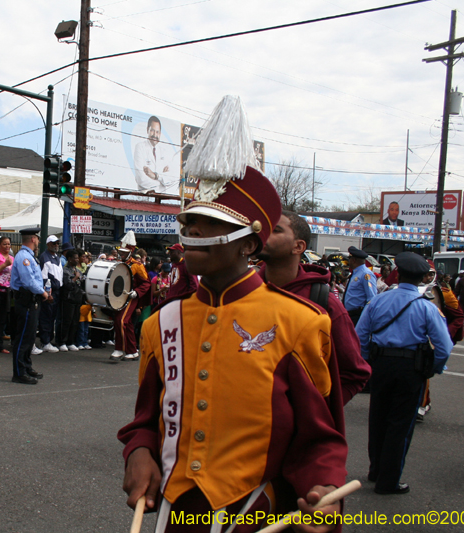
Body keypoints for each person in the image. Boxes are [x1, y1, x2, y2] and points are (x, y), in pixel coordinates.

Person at [119, 96, 345, 532]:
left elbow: (319, 439)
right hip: (177, 515)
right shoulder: (159, 324)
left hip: (254, 516)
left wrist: (322, 491)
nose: (192, 231)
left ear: (248, 243)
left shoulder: (301, 323)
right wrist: (140, 450)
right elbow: (146, 420)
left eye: (210, 223)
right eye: (189, 221)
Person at [257, 211, 371, 434]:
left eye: (276, 230)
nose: (264, 234)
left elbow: (355, 372)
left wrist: (315, 412)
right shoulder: (244, 292)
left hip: (292, 438)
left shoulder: (323, 303)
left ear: (298, 247)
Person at [356, 252, 452, 495]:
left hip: (381, 365)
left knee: (378, 418)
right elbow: (444, 346)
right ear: (422, 279)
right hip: (411, 369)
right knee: (400, 425)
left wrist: (368, 361)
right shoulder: (425, 307)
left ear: (398, 273)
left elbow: (359, 336)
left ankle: (375, 470)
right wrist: (434, 368)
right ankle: (388, 481)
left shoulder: (378, 301)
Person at [10, 226, 49, 385]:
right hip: (26, 300)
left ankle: (26, 366)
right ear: (33, 239)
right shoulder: (24, 257)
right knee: (23, 338)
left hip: (31, 300)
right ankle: (19, 372)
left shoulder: (29, 256)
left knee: (30, 336)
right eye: (37, 238)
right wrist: (43, 292)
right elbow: (28, 281)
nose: (38, 241)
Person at [110, 233, 151, 361]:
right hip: (118, 296)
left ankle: (119, 349)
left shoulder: (137, 266)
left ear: (131, 251)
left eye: (124, 252)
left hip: (131, 296)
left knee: (120, 321)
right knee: (127, 323)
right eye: (120, 252)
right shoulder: (117, 263)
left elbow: (146, 283)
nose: (121, 254)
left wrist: (137, 292)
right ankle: (132, 350)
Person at [133, 115, 174, 193]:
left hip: (161, 199)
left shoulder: (164, 152)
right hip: (144, 198)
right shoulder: (140, 147)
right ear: (147, 130)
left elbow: (171, 179)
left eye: (157, 132)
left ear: (160, 133)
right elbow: (141, 178)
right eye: (152, 130)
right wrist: (161, 183)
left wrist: (155, 176)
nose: (155, 135)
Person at [39, 235, 62, 352]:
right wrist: (47, 293)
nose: (56, 245)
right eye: (54, 243)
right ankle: (45, 341)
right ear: (48, 244)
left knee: (52, 317)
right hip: (50, 291)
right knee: (46, 317)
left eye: (57, 243)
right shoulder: (44, 257)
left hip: (57, 291)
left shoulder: (57, 257)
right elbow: (44, 277)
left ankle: (49, 340)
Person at [342, 246, 376, 326]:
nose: (348, 262)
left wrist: (365, 318)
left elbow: (371, 298)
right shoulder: (355, 273)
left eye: (349, 259)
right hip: (350, 315)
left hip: (358, 316)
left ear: (353, 260)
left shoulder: (366, 274)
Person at [57, 248, 82, 351]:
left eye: (78, 258)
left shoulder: (78, 270)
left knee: (75, 321)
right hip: (68, 298)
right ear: (70, 259)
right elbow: (67, 284)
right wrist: (76, 278)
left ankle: (70, 341)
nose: (77, 260)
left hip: (77, 298)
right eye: (75, 258)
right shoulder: (65, 270)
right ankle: (62, 341)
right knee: (66, 320)